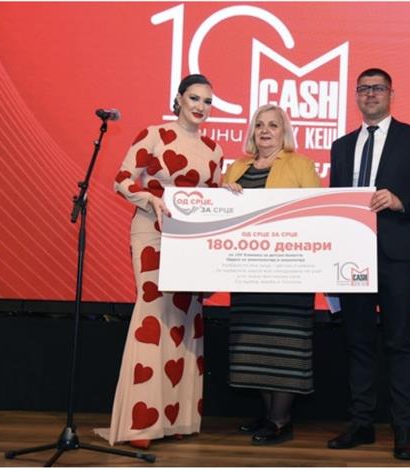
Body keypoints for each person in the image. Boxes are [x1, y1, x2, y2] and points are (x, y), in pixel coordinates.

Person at [95, 74, 223, 450]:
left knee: (185, 320)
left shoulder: (214, 150)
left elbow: (214, 200)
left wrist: (230, 192)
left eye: (207, 101)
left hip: (191, 242)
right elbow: (122, 179)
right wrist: (150, 198)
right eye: (194, 98)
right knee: (152, 314)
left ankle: (177, 418)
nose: (200, 107)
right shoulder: (153, 135)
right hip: (151, 233)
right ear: (178, 99)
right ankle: (142, 422)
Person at [327, 68, 410, 460]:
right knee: (358, 343)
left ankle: (404, 430)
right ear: (356, 96)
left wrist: (400, 201)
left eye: (378, 88)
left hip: (396, 256)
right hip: (352, 257)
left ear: (391, 94)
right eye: (363, 89)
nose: (370, 94)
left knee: (399, 342)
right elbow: (334, 201)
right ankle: (361, 423)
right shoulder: (342, 146)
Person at [222, 104, 321, 446]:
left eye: (273, 125)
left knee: (284, 346)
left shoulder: (301, 164)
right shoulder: (236, 167)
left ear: (284, 131)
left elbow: (316, 215)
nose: (265, 130)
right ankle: (268, 416)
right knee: (255, 347)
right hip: (246, 273)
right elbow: (220, 217)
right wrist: (225, 196)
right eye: (260, 125)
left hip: (288, 274)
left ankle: (280, 420)